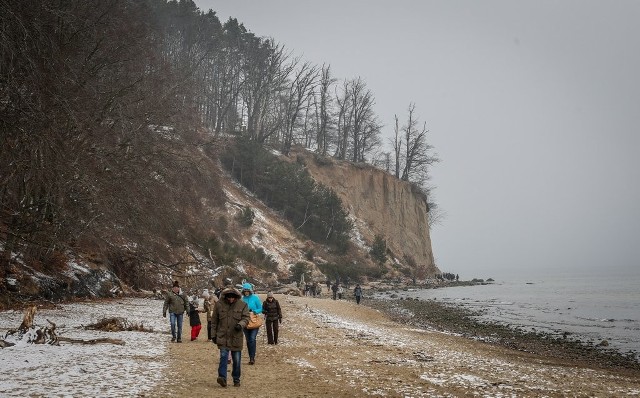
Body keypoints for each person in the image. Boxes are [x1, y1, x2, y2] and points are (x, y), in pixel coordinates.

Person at [211, 286, 250, 388]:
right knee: (223, 357)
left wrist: (240, 325)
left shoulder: (243, 305)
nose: (231, 299)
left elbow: (246, 318)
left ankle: (236, 379)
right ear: (225, 296)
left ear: (236, 297)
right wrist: (213, 335)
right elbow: (214, 321)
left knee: (236, 360)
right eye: (229, 297)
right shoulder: (219, 305)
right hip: (222, 336)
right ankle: (222, 377)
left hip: (236, 337)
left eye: (233, 297)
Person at [240, 282, 263, 365]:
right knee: (248, 340)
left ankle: (252, 357)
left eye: (247, 290)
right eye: (245, 291)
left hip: (254, 322)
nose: (246, 292)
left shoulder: (255, 298)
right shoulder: (242, 299)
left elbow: (261, 308)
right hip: (245, 322)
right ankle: (250, 356)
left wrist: (254, 311)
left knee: (252, 339)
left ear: (250, 291)